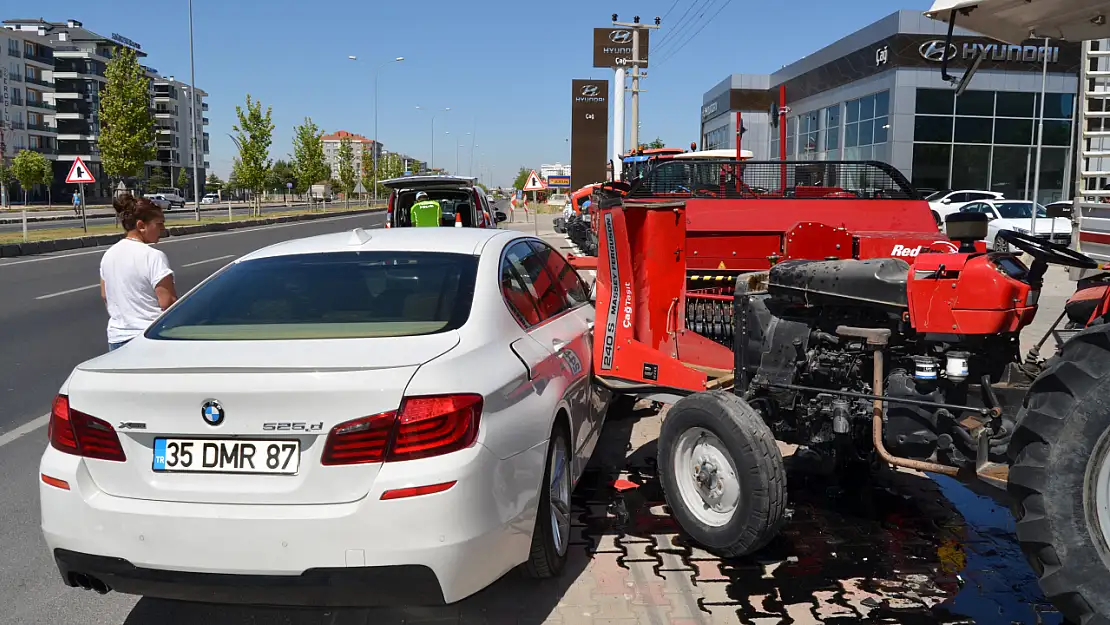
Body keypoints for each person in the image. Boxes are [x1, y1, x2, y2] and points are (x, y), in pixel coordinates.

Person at [99, 195, 177, 352]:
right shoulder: (153, 256)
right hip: (148, 337)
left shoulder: (108, 255)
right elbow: (167, 302)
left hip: (117, 338)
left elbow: (105, 295)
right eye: (159, 224)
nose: (162, 229)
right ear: (141, 225)